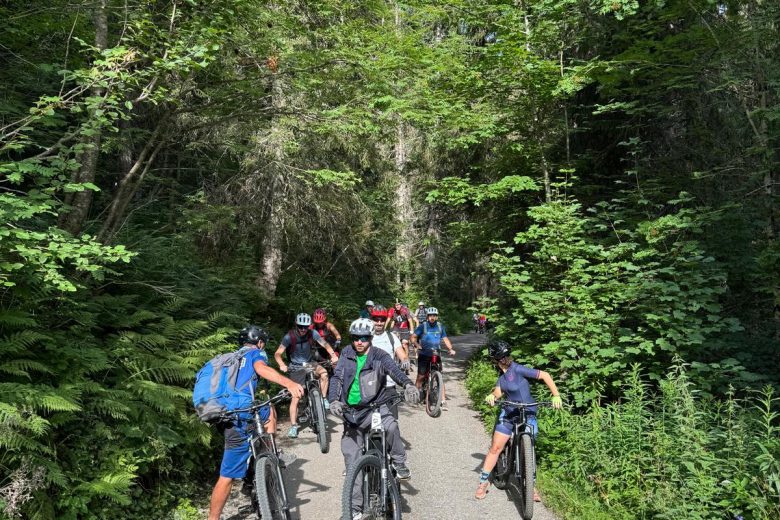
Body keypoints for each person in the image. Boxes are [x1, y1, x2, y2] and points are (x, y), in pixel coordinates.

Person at [208, 326, 305, 520]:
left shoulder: (228, 359)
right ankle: (269, 454)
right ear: (260, 342)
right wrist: (289, 383)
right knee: (269, 409)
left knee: (226, 476)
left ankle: (213, 518)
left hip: (223, 413)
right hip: (243, 413)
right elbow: (261, 369)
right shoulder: (255, 354)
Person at [328, 318, 420, 518]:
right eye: (355, 338)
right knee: (352, 461)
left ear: (370, 338)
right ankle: (354, 510)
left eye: (363, 338)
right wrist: (334, 400)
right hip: (351, 413)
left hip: (375, 408)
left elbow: (394, 371)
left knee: (391, 426)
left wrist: (408, 384)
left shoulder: (380, 355)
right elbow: (337, 377)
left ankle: (398, 462)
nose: (359, 342)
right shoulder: (346, 353)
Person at [474, 340, 563, 501]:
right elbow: (498, 392)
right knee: (495, 448)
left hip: (528, 413)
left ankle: (531, 487)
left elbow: (545, 375)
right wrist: (492, 396)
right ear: (497, 359)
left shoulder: (518, 369)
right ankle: (483, 482)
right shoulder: (502, 377)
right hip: (509, 414)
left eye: (507, 355)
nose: (506, 358)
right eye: (503, 356)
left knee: (529, 449)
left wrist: (556, 395)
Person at [275, 313, 339, 438]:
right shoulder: (289, 337)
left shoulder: (312, 333)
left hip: (309, 364)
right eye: (300, 326)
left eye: (305, 327)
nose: (303, 329)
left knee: (324, 374)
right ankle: (294, 426)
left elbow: (324, 344)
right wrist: (281, 364)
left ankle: (323, 399)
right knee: (296, 397)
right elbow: (278, 353)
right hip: (296, 367)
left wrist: (333, 355)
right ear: (296, 325)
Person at [369, 305, 410, 418]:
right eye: (376, 319)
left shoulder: (391, 337)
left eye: (382, 319)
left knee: (392, 425)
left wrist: (405, 361)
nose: (379, 322)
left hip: (389, 385)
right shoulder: (365, 337)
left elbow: (401, 354)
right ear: (371, 320)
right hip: (368, 386)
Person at [411, 307, 455, 409]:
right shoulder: (423, 326)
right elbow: (413, 337)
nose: (432, 317)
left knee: (440, 377)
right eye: (430, 315)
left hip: (436, 354)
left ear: (437, 316)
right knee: (421, 376)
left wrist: (450, 349)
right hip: (424, 354)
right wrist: (417, 345)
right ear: (427, 316)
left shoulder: (440, 327)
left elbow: (445, 339)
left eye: (434, 315)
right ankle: (416, 395)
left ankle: (443, 401)